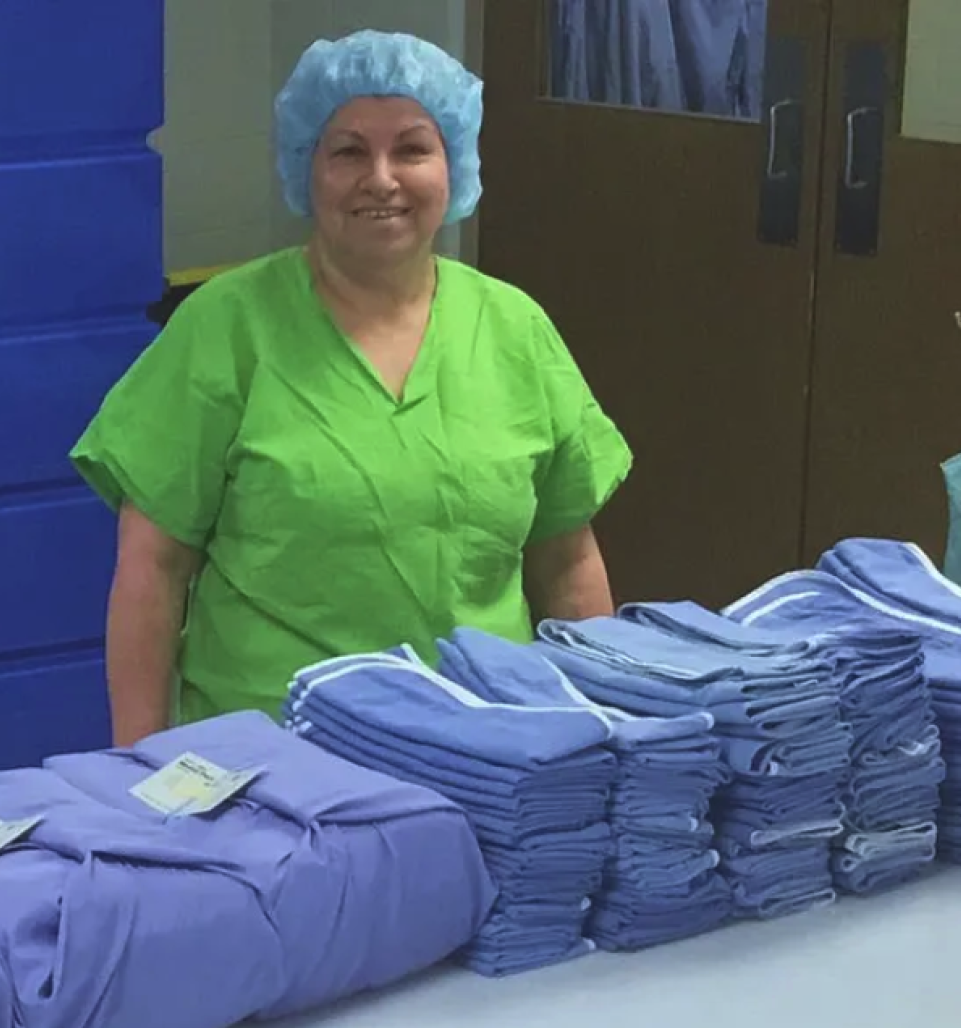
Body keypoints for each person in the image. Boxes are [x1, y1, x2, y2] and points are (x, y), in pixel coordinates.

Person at [70, 29, 633, 747]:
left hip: (490, 757)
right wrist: (138, 763)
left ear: (453, 164)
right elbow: (152, 568)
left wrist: (605, 741)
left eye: (412, 148)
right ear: (307, 168)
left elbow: (567, 560)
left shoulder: (514, 328)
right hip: (272, 762)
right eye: (348, 151)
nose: (382, 178)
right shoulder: (227, 327)